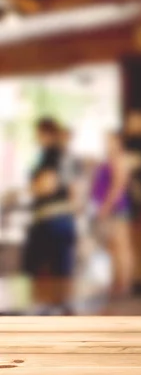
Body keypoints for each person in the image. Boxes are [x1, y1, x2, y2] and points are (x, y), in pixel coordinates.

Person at [22, 118, 77, 314]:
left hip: (50, 220)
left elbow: (48, 185)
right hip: (63, 219)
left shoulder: (51, 154)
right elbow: (73, 192)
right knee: (61, 276)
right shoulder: (65, 155)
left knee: (40, 273)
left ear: (45, 133)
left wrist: (30, 188)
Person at [91, 132, 134, 299]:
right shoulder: (107, 160)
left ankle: (124, 283)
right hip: (108, 210)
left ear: (118, 142)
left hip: (117, 210)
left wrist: (106, 208)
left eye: (110, 140)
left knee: (122, 246)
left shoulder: (120, 160)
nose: (107, 144)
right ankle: (117, 281)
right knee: (113, 247)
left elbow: (118, 187)